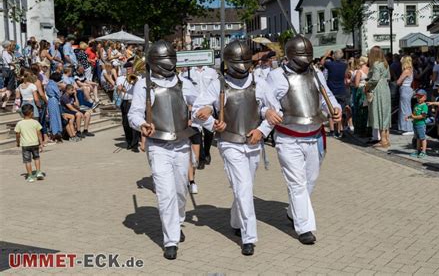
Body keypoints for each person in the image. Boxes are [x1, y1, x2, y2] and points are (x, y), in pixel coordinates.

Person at [192, 40, 276, 256]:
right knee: (244, 186)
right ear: (228, 64)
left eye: (245, 63)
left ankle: (236, 221)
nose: (242, 68)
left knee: (244, 187)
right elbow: (198, 112)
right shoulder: (217, 84)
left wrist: (263, 129)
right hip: (229, 143)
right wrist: (210, 120)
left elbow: (274, 110)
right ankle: (249, 237)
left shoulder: (259, 82)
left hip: (253, 141)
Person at [265, 35, 342, 245]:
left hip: (315, 135)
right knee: (297, 183)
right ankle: (304, 228)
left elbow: (327, 97)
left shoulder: (316, 73)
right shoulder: (276, 76)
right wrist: (268, 114)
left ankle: (293, 211)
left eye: (308, 57)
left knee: (310, 181)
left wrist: (336, 110)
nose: (305, 61)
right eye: (301, 57)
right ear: (289, 56)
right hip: (289, 137)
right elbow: (266, 103)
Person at [128, 40, 198, 260]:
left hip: (181, 143)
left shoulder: (184, 83)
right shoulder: (143, 84)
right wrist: (142, 125)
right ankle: (170, 240)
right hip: (158, 144)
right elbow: (134, 113)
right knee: (165, 192)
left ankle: (177, 222)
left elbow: (199, 106)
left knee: (179, 190)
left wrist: (201, 113)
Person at [365, 46, 391, 148]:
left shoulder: (376, 64)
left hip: (378, 89)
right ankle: (387, 139)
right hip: (385, 87)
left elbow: (375, 79)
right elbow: (388, 76)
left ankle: (383, 140)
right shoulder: (385, 63)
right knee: (385, 113)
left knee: (379, 112)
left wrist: (367, 84)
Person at [15, 104, 45, 183]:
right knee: (37, 158)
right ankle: (38, 172)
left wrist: (18, 143)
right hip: (35, 144)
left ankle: (30, 176)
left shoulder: (19, 123)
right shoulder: (35, 122)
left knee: (27, 161)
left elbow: (17, 135)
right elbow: (39, 134)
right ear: (32, 113)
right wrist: (41, 144)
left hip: (25, 145)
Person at [321, 49, 347, 138]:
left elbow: (322, 62)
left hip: (332, 90)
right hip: (342, 90)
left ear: (334, 56)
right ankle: (340, 130)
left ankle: (332, 130)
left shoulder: (330, 64)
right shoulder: (344, 65)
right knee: (340, 111)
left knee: (331, 111)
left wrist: (326, 55)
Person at [116, 62, 140, 152]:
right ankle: (129, 142)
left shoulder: (138, 78)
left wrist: (134, 81)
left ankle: (135, 144)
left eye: (130, 68)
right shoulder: (120, 78)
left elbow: (139, 87)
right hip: (125, 102)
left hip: (134, 102)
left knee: (134, 122)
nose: (128, 70)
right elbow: (119, 87)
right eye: (127, 69)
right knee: (126, 123)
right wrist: (121, 88)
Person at [406, 89, 428, 158]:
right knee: (418, 138)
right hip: (415, 123)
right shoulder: (416, 105)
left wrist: (414, 117)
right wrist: (410, 116)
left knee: (423, 138)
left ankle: (423, 151)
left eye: (420, 97)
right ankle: (418, 150)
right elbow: (414, 113)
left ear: (425, 97)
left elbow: (423, 116)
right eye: (417, 97)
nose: (418, 99)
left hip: (421, 124)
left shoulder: (424, 106)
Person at [397, 56, 414, 135]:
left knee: (404, 109)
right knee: (407, 108)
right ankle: (406, 127)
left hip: (405, 89)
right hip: (409, 89)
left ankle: (408, 128)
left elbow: (398, 81)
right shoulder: (411, 70)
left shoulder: (406, 71)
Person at [353, 56, 370, 136]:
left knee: (360, 111)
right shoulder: (369, 70)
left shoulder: (359, 71)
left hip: (361, 91)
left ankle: (360, 130)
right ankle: (368, 129)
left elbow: (356, 85)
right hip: (368, 90)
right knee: (367, 111)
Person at [45, 72, 63, 142]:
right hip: (54, 101)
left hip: (50, 100)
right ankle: (56, 133)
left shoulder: (49, 83)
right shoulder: (53, 84)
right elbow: (58, 93)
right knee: (55, 117)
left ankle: (54, 132)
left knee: (53, 116)